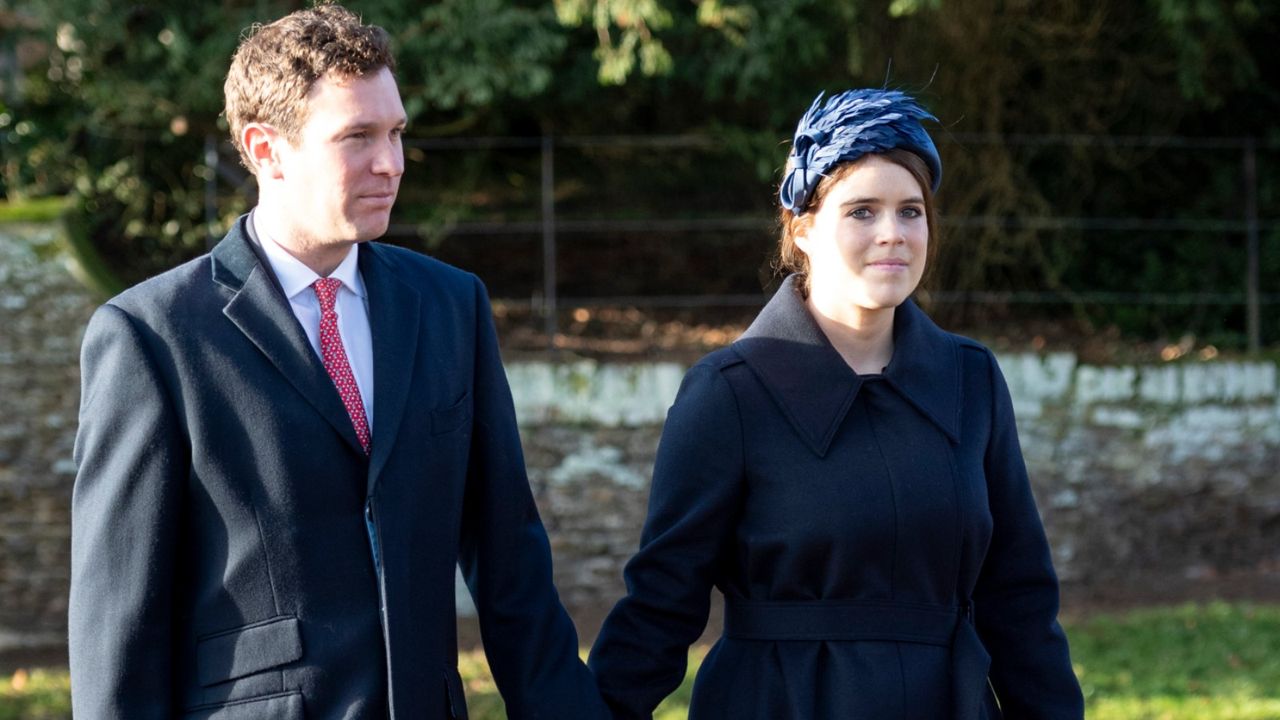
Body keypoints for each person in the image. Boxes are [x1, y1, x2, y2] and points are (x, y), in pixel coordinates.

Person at [68, 5, 607, 719]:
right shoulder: (152, 336)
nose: (392, 163)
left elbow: (511, 563)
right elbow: (118, 626)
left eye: (395, 132)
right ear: (267, 150)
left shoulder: (449, 306)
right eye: (357, 136)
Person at [588, 89, 1086, 719]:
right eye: (861, 211)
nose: (893, 235)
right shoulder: (731, 392)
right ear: (804, 230)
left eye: (911, 212)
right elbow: (662, 601)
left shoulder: (971, 380)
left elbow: (1018, 598)